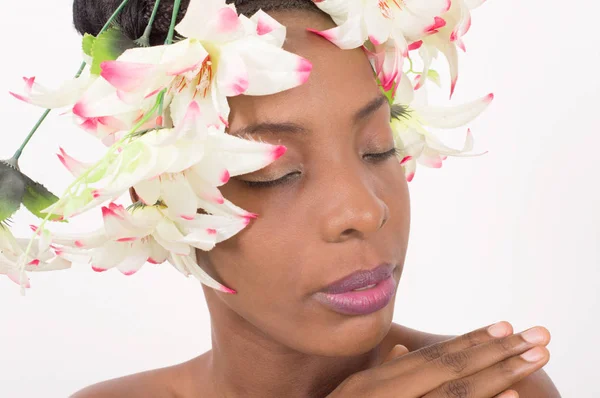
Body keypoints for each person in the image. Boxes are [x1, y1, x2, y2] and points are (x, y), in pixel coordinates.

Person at [5, 0, 561, 396]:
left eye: (377, 147)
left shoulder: (490, 390)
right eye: (276, 170)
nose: (365, 212)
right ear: (158, 189)